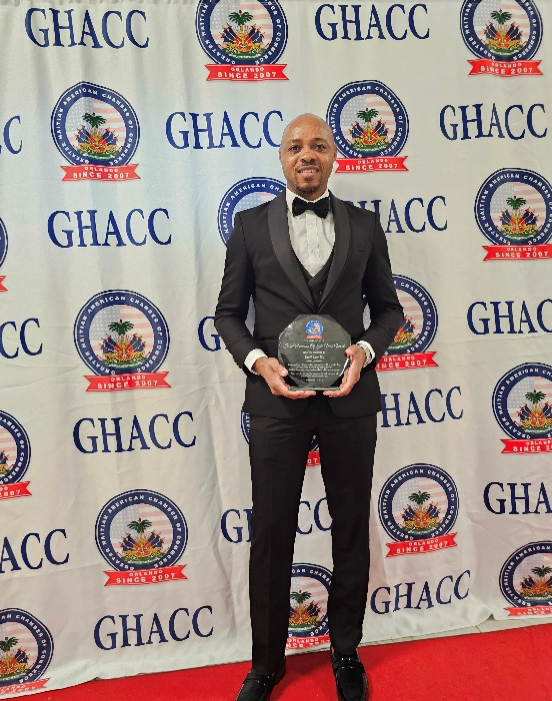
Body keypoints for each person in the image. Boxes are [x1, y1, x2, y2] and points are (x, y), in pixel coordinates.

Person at [215, 114, 403, 701]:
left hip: (350, 401)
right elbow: (228, 315)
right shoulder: (249, 226)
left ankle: (345, 652)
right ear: (281, 157)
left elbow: (389, 310)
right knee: (272, 533)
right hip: (276, 404)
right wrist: (259, 363)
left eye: (318, 145)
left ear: (334, 156)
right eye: (295, 146)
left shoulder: (365, 226)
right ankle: (266, 665)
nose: (307, 154)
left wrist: (365, 351)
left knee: (350, 527)